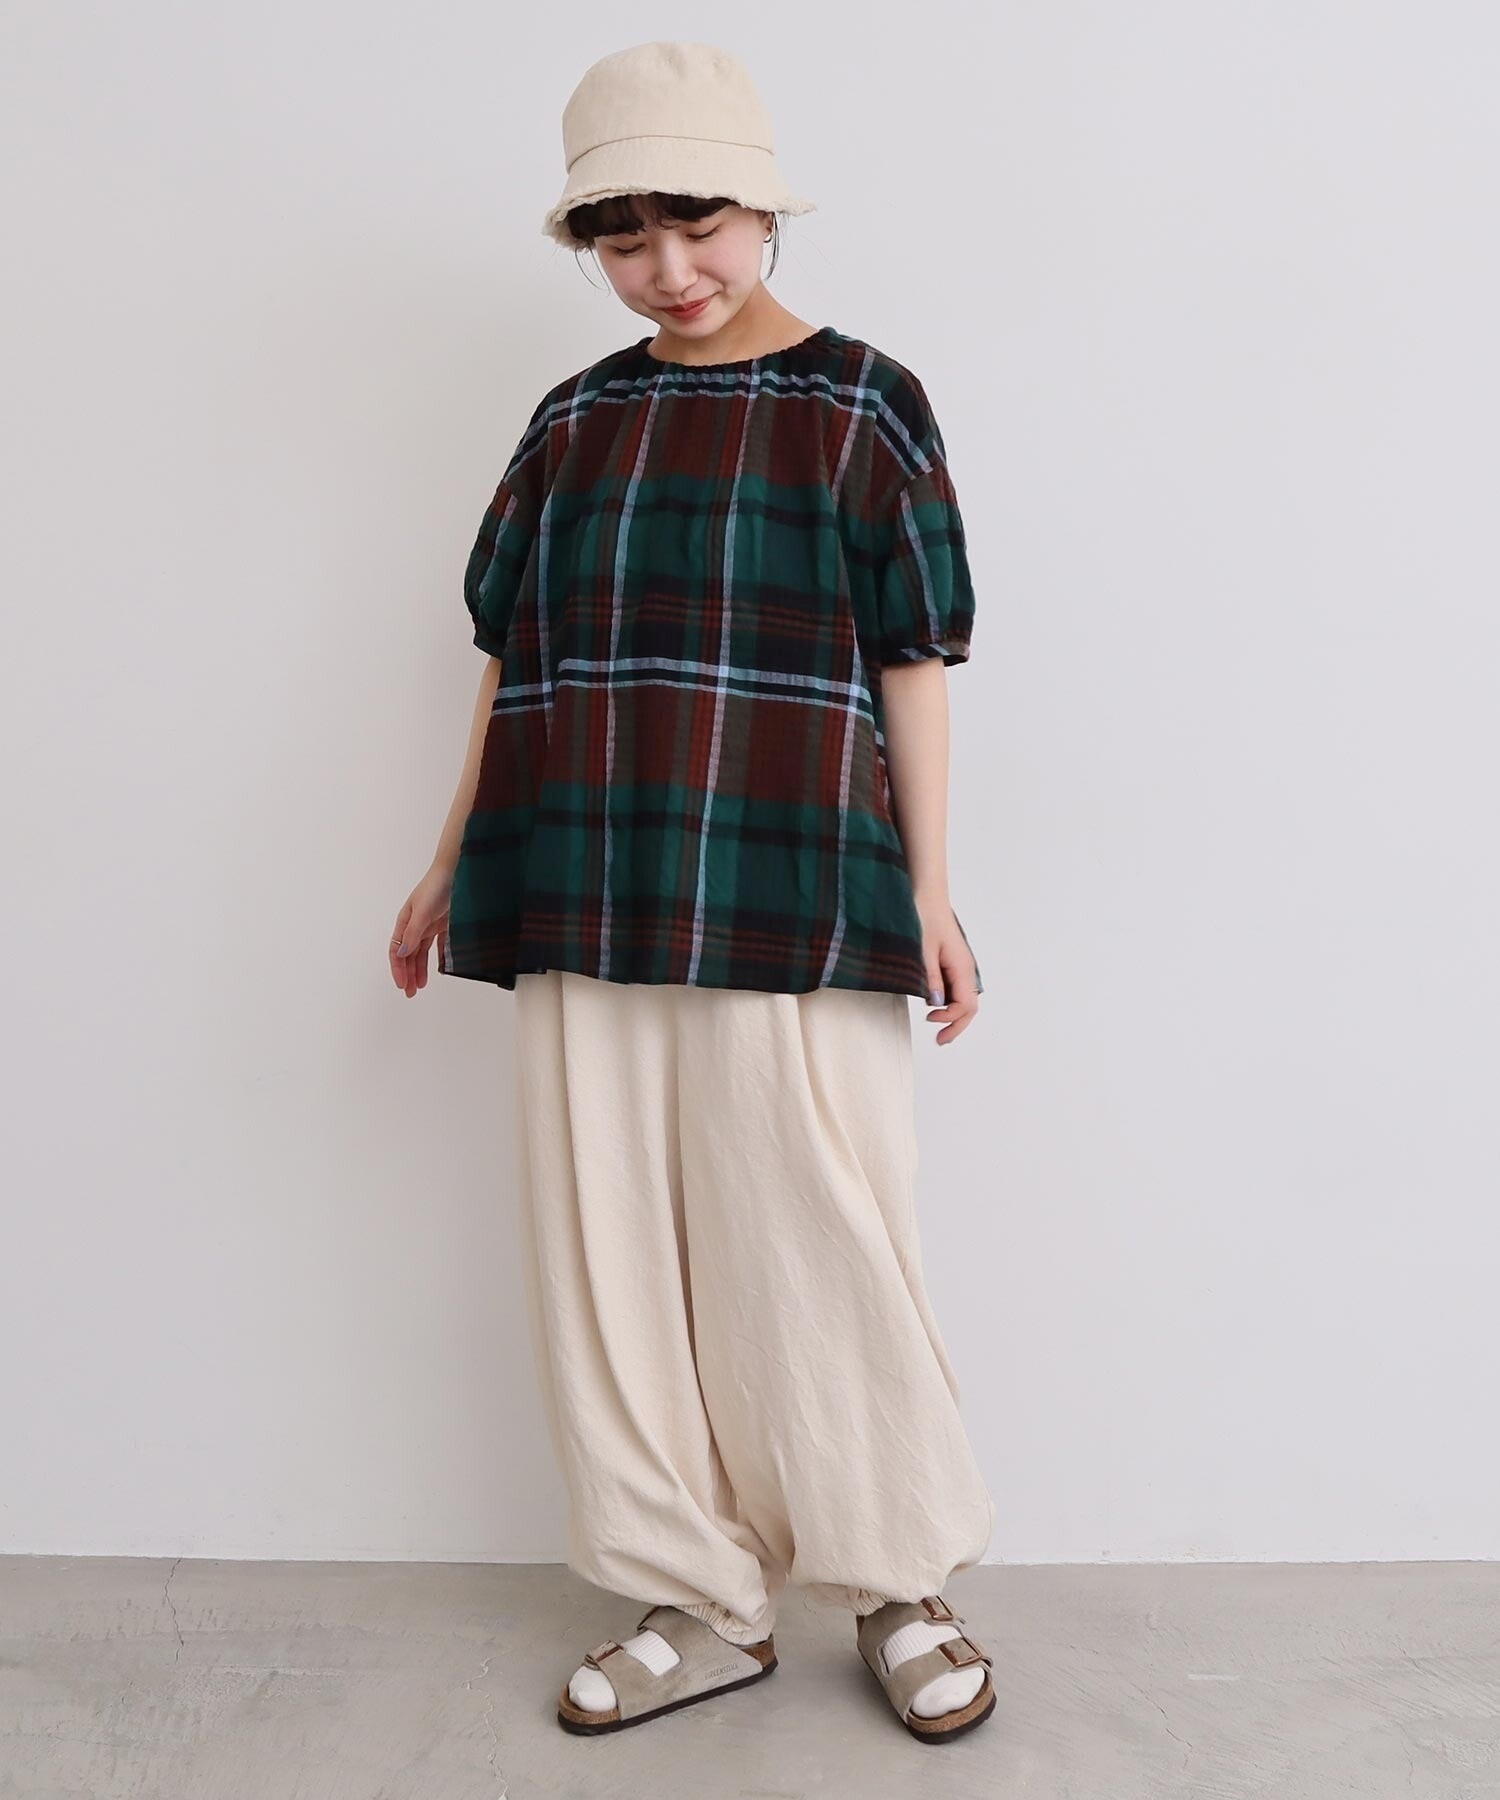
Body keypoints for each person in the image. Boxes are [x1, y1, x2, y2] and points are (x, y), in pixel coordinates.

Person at [389, 41, 998, 1746]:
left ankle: (895, 1578)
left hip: (795, 884)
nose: (670, 269)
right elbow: (514, 656)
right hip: (580, 872)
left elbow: (914, 656)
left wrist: (932, 889)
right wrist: (445, 858)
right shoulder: (576, 418)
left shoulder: (864, 402)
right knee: (609, 1253)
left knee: (821, 1234)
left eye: (701, 223)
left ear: (765, 207)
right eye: (625, 237)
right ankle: (697, 1593)